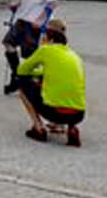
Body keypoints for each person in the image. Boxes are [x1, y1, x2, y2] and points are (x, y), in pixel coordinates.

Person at [16, 18, 85, 147]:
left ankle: (39, 128)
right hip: (79, 114)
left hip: (54, 112)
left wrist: (37, 70)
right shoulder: (75, 56)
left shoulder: (46, 50)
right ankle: (71, 128)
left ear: (48, 35)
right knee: (64, 86)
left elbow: (22, 70)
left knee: (22, 84)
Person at [3, 0, 57, 95]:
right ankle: (17, 76)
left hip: (33, 22)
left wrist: (40, 20)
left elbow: (53, 2)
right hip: (22, 18)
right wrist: (17, 4)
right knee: (8, 44)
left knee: (29, 55)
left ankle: (30, 83)